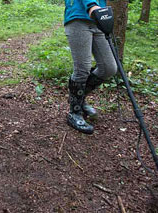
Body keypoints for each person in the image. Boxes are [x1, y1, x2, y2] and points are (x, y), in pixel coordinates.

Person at [64, 0, 117, 134]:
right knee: (83, 69)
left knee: (109, 67)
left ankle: (78, 98)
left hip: (99, 19)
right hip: (78, 17)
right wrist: (91, 5)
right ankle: (74, 112)